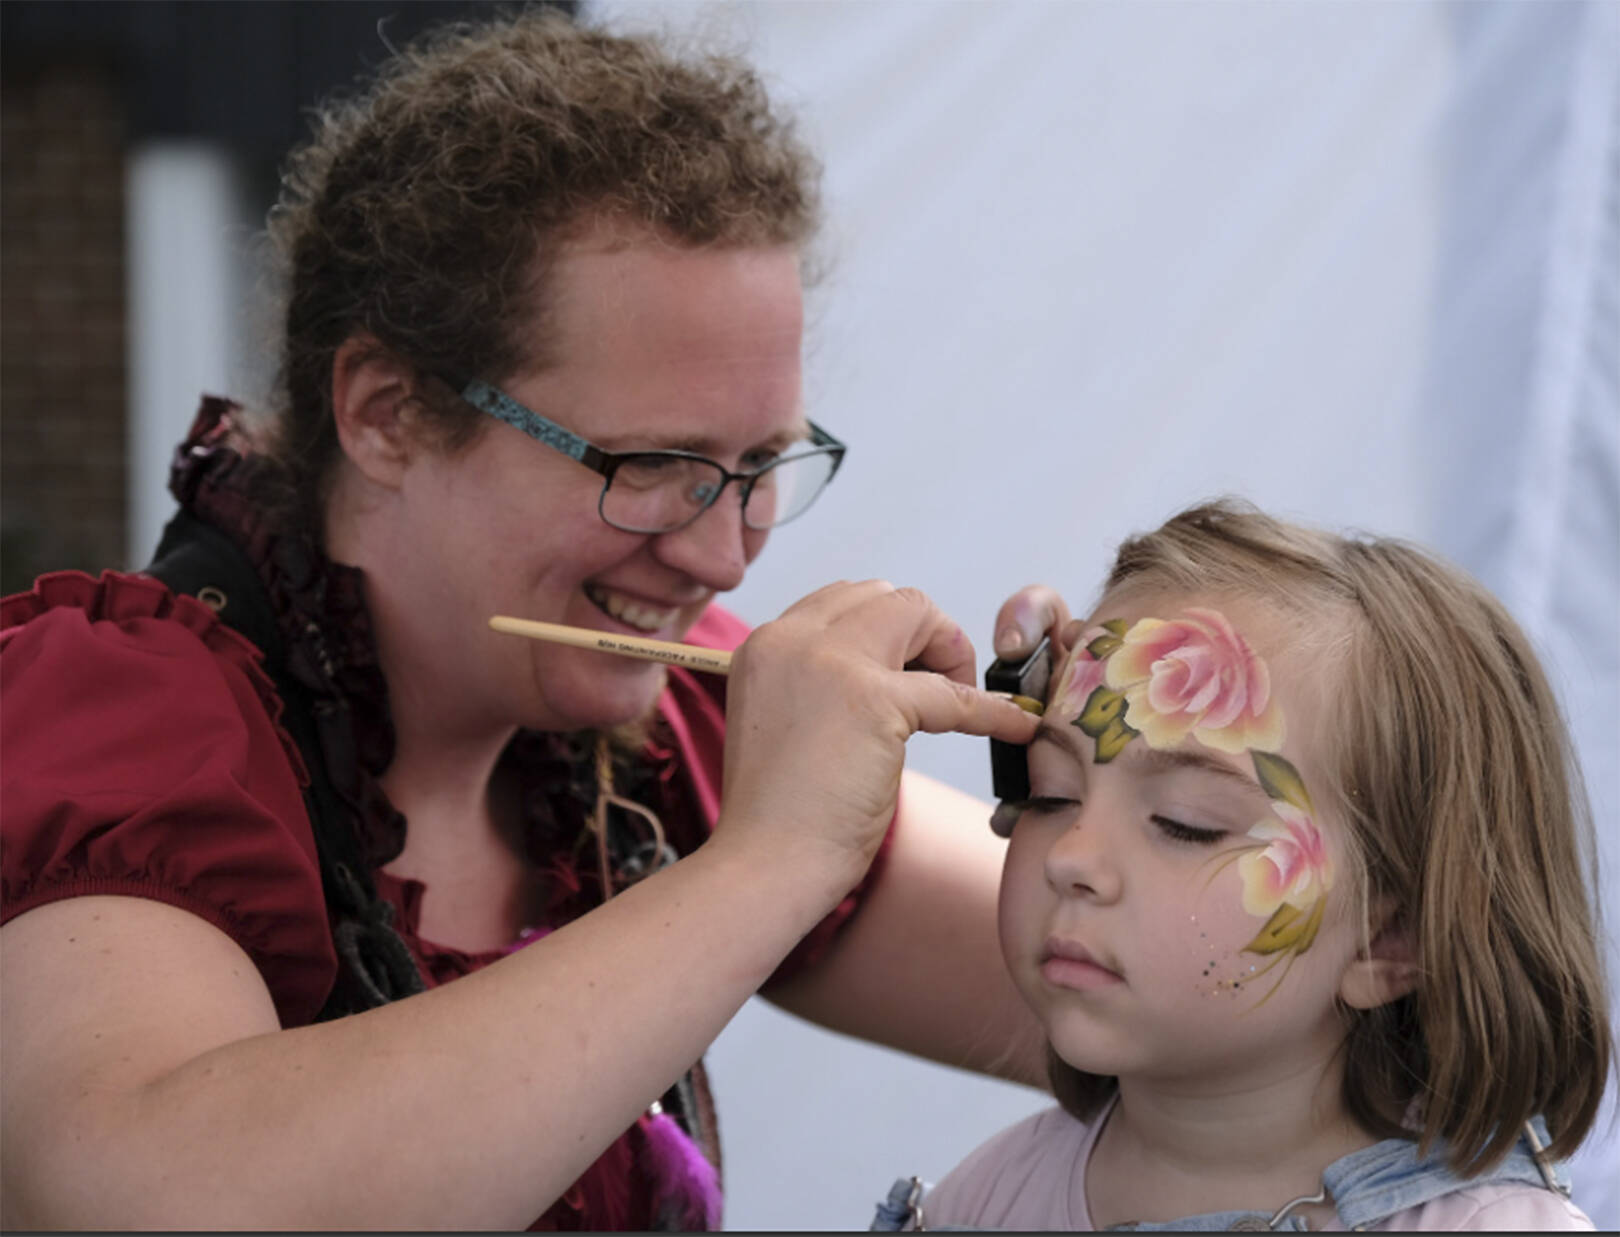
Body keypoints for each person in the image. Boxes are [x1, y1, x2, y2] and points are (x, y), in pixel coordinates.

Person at [0, 13, 1055, 1230]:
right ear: (387, 413)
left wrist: (1134, 789)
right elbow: (152, 1198)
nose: (720, 552)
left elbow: (1121, 986)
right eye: (650, 464)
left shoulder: (668, 715)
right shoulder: (120, 708)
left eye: (762, 462)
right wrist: (773, 858)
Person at [874, 499, 1611, 1231]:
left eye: (1184, 823)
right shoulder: (988, 1202)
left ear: (1391, 937)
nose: (1072, 857)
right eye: (1050, 792)